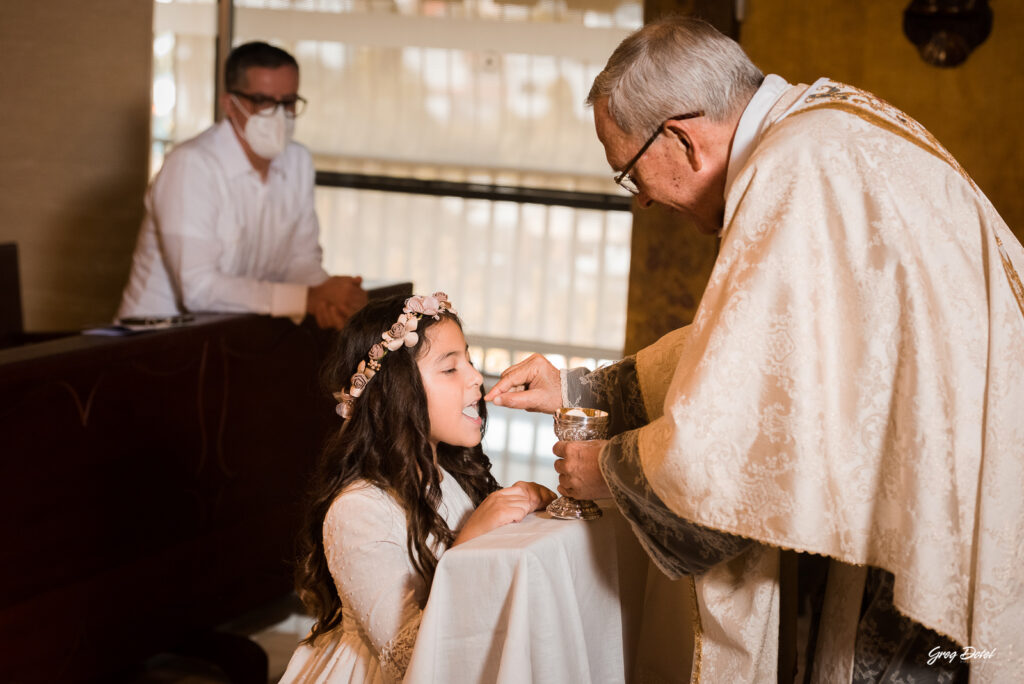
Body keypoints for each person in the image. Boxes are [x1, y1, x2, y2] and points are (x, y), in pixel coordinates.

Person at [485, 15, 1024, 684]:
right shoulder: (824, 128)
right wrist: (581, 392)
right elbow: (770, 353)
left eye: (629, 174)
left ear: (680, 139)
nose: (644, 203)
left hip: (935, 521)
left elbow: (736, 431)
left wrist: (614, 473)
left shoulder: (797, 166)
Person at [281, 292, 555, 683]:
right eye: (450, 369)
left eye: (471, 362)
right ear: (396, 391)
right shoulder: (358, 511)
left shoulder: (455, 478)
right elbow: (406, 658)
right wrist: (472, 540)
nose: (476, 377)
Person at [117, 41, 366, 330]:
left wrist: (335, 296)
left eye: (287, 102)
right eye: (262, 101)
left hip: (233, 337)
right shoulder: (191, 165)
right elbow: (199, 289)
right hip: (153, 341)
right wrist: (307, 299)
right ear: (230, 105)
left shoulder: (298, 161)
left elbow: (300, 260)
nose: (278, 115)